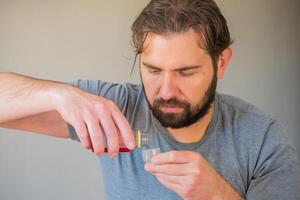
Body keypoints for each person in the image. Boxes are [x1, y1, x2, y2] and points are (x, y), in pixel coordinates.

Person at [0, 0, 300, 199]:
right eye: (153, 70)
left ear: (221, 62)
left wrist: (218, 194)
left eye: (186, 72)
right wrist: (57, 94)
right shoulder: (113, 106)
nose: (166, 91)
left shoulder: (263, 137)